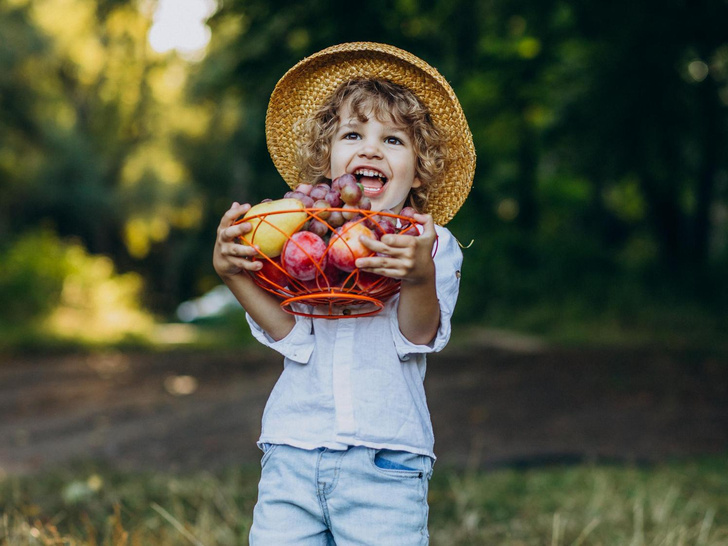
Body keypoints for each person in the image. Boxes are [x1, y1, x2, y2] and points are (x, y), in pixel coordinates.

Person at [212, 42, 475, 545]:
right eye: (353, 134)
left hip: (386, 460)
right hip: (292, 448)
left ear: (419, 169)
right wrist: (234, 275)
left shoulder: (427, 241)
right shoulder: (301, 239)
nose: (371, 148)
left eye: (393, 140)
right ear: (327, 157)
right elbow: (291, 333)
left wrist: (417, 277)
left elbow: (418, 335)